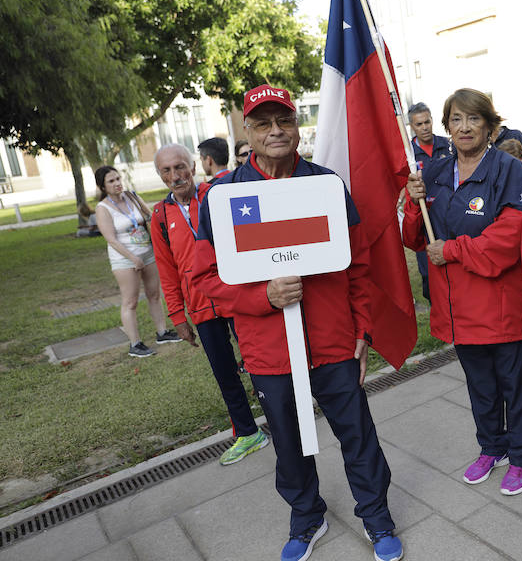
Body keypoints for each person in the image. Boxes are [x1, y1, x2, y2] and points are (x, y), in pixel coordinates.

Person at [193, 84, 403, 561]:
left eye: (283, 120)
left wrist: (362, 330)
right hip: (270, 350)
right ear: (246, 130)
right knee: (288, 442)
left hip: (333, 343)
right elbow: (205, 274)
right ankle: (307, 516)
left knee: (358, 435)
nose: (275, 131)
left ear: (296, 125)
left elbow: (359, 264)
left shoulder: (326, 185)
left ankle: (376, 516)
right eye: (263, 123)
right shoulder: (222, 196)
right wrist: (261, 296)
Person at [402, 88, 522, 496]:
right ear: (446, 128)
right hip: (456, 308)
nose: (464, 127)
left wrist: (454, 250)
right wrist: (413, 204)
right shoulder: (435, 173)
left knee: (514, 386)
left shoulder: (509, 170)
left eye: (473, 119)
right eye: (456, 120)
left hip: (499, 307)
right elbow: (414, 238)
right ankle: (491, 447)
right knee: (479, 385)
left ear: (489, 125)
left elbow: (510, 238)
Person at [150, 143, 269, 466]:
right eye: (167, 170)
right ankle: (248, 432)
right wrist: (178, 316)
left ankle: (282, 418)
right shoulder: (160, 216)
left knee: (259, 361)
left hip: (236, 296)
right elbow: (167, 269)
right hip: (201, 306)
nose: (175, 176)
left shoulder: (219, 194)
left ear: (193, 165)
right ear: (160, 176)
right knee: (224, 372)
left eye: (180, 167)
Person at [94, 166, 181, 357]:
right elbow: (111, 239)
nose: (117, 183)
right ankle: (135, 344)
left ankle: (162, 332)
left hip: (147, 253)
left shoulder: (131, 196)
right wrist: (133, 258)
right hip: (125, 260)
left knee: (154, 295)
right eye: (111, 181)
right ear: (102, 186)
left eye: (118, 178)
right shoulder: (103, 208)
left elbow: (151, 216)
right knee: (130, 301)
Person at [407, 102, 452, 302]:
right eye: (419, 124)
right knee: (429, 274)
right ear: (412, 126)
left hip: (448, 214)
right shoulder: (407, 153)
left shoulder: (448, 145)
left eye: (427, 122)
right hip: (423, 219)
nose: (424, 127)